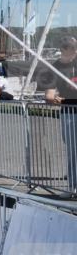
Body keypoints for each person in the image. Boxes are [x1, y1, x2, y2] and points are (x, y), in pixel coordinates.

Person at [37, 36, 77, 192]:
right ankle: (73, 188)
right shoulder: (53, 68)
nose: (74, 50)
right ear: (63, 49)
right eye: (71, 47)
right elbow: (49, 96)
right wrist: (54, 99)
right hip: (69, 114)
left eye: (75, 47)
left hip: (68, 109)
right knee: (73, 151)